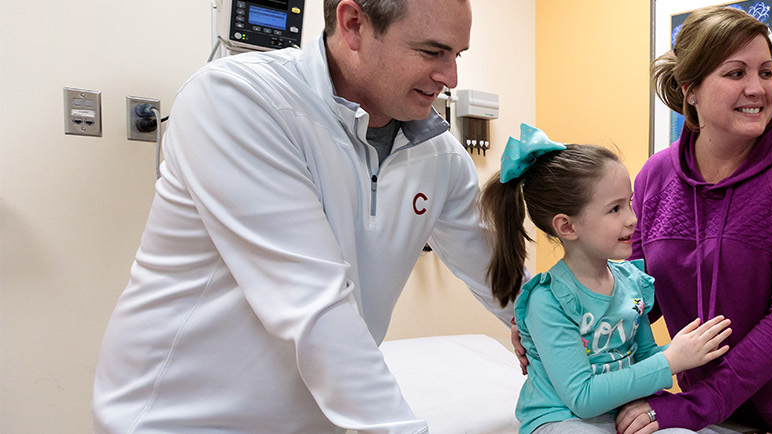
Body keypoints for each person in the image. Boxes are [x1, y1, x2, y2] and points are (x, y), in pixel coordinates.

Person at [91, 0, 509, 432]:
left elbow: (498, 277)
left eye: (457, 55)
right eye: (431, 52)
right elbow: (314, 305)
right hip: (181, 419)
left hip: (315, 420)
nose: (450, 77)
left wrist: (559, 331)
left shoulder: (439, 154)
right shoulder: (239, 100)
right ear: (353, 25)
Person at [616, 6, 772, 434]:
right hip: (719, 410)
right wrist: (560, 325)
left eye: (766, 72)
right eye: (736, 73)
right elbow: (634, 296)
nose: (758, 89)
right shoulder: (655, 178)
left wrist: (696, 406)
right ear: (690, 89)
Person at [484, 124, 733, 434]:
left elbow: (644, 357)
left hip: (621, 411)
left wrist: (687, 353)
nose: (633, 218)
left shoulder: (633, 282)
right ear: (567, 227)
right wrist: (671, 361)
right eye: (615, 209)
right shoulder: (547, 300)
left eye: (629, 203)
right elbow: (582, 398)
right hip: (561, 418)